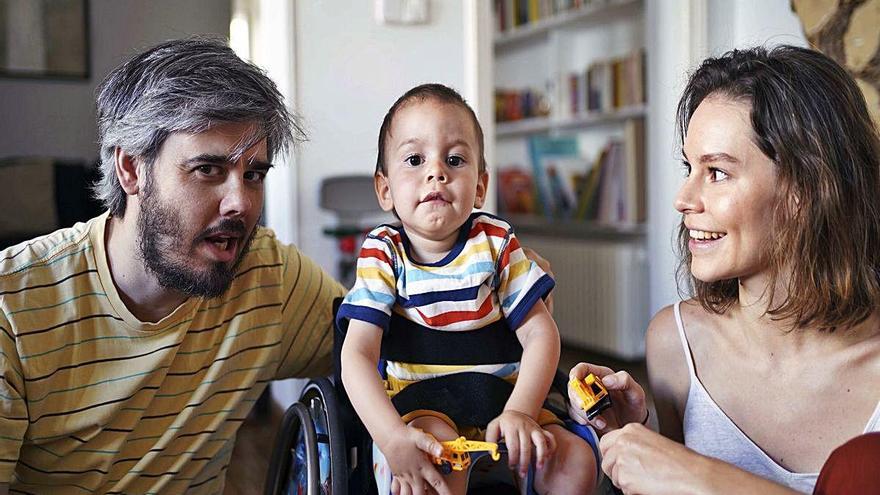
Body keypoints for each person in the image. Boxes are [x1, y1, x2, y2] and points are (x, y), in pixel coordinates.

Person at [0, 37, 347, 494]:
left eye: (254, 174)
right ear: (131, 169)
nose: (241, 203)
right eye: (207, 169)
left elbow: (393, 350)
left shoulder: (268, 276)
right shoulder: (14, 305)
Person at [567, 45, 880, 494]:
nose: (683, 199)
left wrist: (701, 475)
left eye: (716, 172)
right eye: (689, 166)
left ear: (807, 189)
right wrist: (636, 437)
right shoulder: (676, 343)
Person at [338, 84, 597, 495]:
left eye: (454, 159)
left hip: (506, 399)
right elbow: (357, 353)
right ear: (385, 189)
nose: (436, 172)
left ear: (479, 186)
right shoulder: (383, 254)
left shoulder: (496, 242)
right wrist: (390, 438)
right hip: (422, 407)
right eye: (414, 159)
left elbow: (539, 332)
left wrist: (522, 412)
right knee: (435, 461)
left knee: (576, 462)